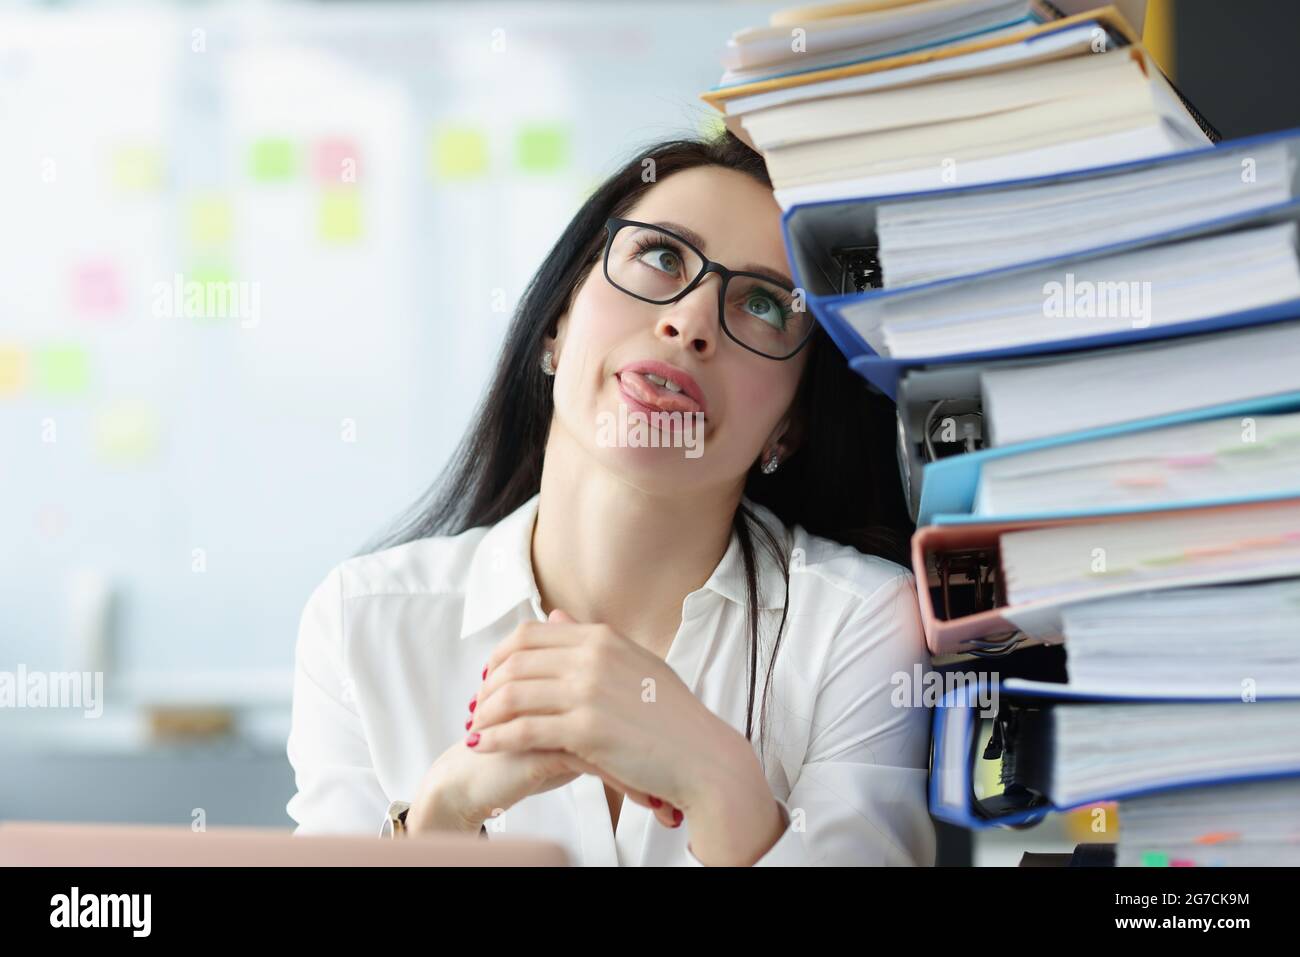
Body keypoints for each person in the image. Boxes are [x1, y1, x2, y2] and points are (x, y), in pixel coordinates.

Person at [285, 130, 936, 866]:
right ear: (556, 325)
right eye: (661, 258)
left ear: (788, 425)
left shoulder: (862, 627)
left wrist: (719, 784)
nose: (689, 323)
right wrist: (441, 813)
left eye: (760, 303)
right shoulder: (361, 622)